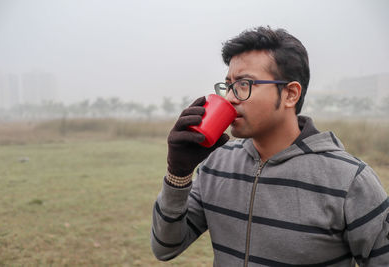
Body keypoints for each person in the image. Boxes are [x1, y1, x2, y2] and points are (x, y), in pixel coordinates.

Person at [150, 26, 389, 266]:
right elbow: (165, 247)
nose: (231, 97)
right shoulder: (216, 163)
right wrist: (178, 173)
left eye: (244, 84)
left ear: (290, 94)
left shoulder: (349, 180)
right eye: (229, 85)